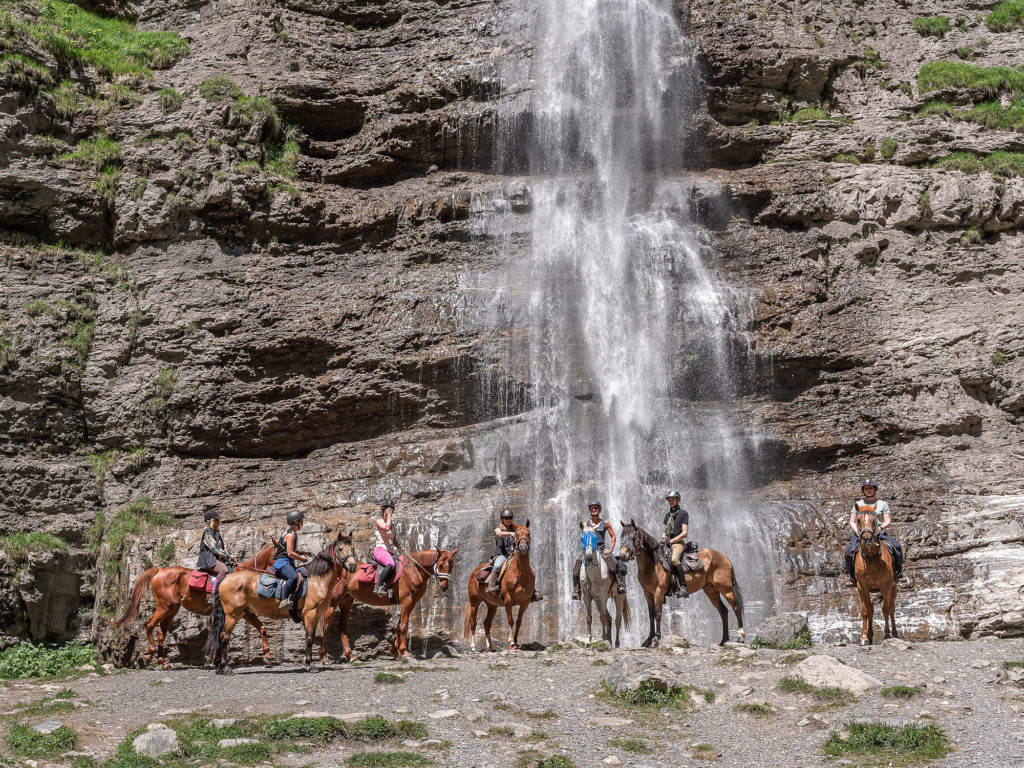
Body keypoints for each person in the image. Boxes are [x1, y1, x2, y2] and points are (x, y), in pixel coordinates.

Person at [844, 478, 905, 586]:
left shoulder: (882, 504)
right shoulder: (857, 504)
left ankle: (899, 573)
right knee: (849, 551)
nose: (869, 490)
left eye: (871, 488)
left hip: (878, 532)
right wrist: (857, 532)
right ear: (863, 490)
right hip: (861, 533)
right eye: (866, 488)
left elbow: (888, 520)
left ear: (875, 489)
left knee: (897, 546)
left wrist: (880, 529)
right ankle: (852, 577)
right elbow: (852, 521)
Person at [571, 501, 626, 600]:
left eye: (596, 507)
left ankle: (620, 584)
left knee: (615, 563)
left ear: (599, 510)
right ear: (589, 510)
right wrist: (584, 549)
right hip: (588, 550)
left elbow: (613, 536)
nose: (594, 509)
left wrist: (611, 549)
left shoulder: (605, 523)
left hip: (601, 549)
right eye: (592, 508)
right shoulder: (585, 524)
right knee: (577, 566)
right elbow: (583, 539)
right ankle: (576, 589)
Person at [486, 508, 543, 602]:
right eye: (505, 518)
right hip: (502, 554)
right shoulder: (498, 528)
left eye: (510, 518)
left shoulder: (516, 529)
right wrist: (511, 534)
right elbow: (498, 534)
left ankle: (532, 591)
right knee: (497, 565)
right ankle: (491, 587)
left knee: (531, 569)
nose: (508, 520)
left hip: (514, 555)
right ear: (502, 519)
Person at [273, 510, 312, 611]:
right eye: (301, 522)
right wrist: (302, 559)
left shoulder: (293, 534)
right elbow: (290, 553)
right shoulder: (290, 535)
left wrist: (304, 553)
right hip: (282, 563)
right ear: (295, 522)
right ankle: (284, 599)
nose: (302, 524)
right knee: (293, 576)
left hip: (288, 562)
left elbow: (294, 551)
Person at [661, 491, 689, 599]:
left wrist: (671, 541)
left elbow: (684, 533)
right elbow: (665, 531)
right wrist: (663, 539)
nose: (671, 502)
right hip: (667, 542)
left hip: (678, 543)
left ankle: (684, 587)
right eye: (669, 500)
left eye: (673, 500)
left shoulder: (683, 513)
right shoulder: (668, 515)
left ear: (678, 500)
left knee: (674, 560)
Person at [372, 500, 403, 595]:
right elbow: (386, 527)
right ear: (383, 510)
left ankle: (390, 586)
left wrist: (399, 546)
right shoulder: (379, 521)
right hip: (380, 550)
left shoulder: (392, 526)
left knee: (401, 562)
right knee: (391, 564)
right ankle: (379, 587)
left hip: (390, 551)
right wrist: (389, 516)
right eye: (387, 508)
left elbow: (393, 540)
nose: (390, 510)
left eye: (391, 509)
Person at [196, 510, 234, 581]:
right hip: (209, 559)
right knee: (223, 571)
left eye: (218, 520)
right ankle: (215, 591)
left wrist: (229, 557)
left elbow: (220, 548)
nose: (218, 522)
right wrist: (228, 557)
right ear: (208, 522)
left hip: (216, 558)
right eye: (215, 520)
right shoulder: (208, 533)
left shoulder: (216, 532)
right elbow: (215, 548)